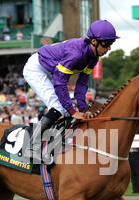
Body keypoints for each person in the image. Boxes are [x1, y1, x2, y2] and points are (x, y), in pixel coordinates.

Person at [23, 19, 119, 162]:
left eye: (111, 43)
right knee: (58, 107)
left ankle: (55, 144)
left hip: (51, 69)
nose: (109, 48)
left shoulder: (93, 57)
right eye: (106, 43)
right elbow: (60, 82)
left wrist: (82, 108)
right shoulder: (77, 54)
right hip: (37, 68)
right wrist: (73, 112)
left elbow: (82, 83)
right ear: (93, 41)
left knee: (67, 110)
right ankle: (31, 146)